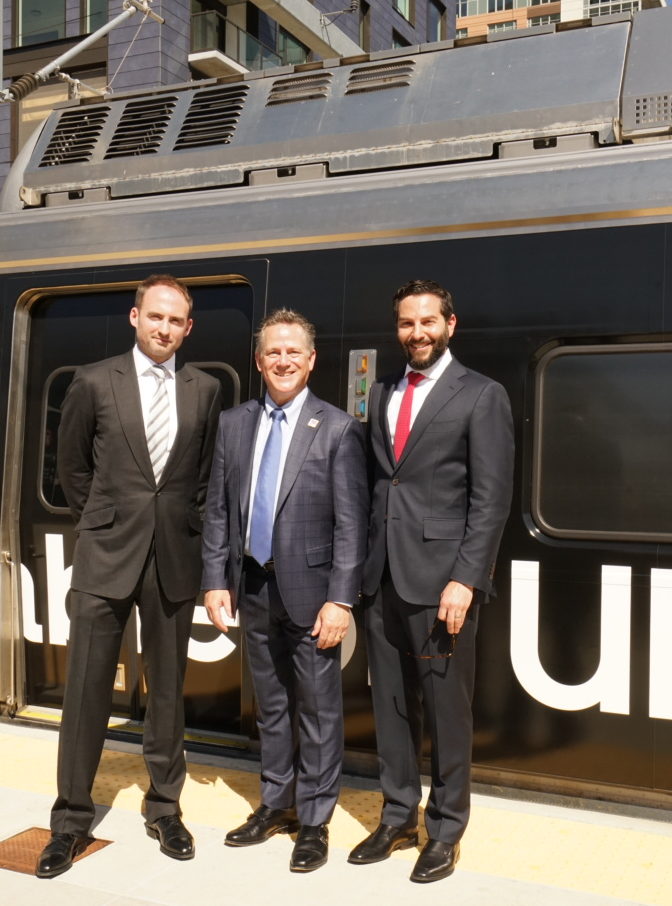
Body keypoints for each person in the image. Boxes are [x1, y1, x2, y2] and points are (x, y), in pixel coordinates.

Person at [36, 275, 223, 878]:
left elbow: (200, 478)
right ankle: (69, 821)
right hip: (105, 556)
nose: (165, 328)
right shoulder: (92, 381)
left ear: (188, 328)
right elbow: (71, 469)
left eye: (177, 321)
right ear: (135, 316)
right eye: (156, 317)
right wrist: (107, 519)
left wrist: (181, 522)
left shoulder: (206, 390)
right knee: (86, 693)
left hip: (173, 556)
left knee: (167, 693)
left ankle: (165, 808)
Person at [349, 279, 514, 883]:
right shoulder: (384, 390)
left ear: (450, 323)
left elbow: (490, 500)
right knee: (391, 708)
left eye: (427, 322)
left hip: (442, 584)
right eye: (405, 324)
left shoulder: (481, 395)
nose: (416, 333)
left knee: (447, 712)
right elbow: (380, 482)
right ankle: (397, 815)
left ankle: (445, 829)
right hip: (382, 578)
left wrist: (465, 579)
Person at [200, 309, 368, 873]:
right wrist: (215, 581)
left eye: (294, 351)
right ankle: (276, 803)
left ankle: (315, 821)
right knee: (271, 707)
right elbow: (220, 511)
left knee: (318, 709)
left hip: (315, 594)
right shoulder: (234, 424)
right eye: (273, 352)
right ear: (259, 359)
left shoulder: (339, 428)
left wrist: (341, 599)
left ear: (312, 359)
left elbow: (352, 524)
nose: (283, 361)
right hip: (252, 585)